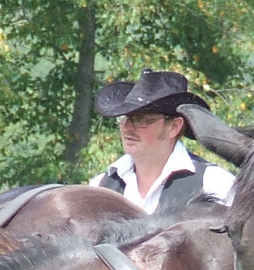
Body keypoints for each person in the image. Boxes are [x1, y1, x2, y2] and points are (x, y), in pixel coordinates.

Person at [89, 69, 236, 214]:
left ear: (174, 127)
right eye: (124, 118)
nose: (127, 127)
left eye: (140, 120)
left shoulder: (216, 185)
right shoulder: (99, 187)